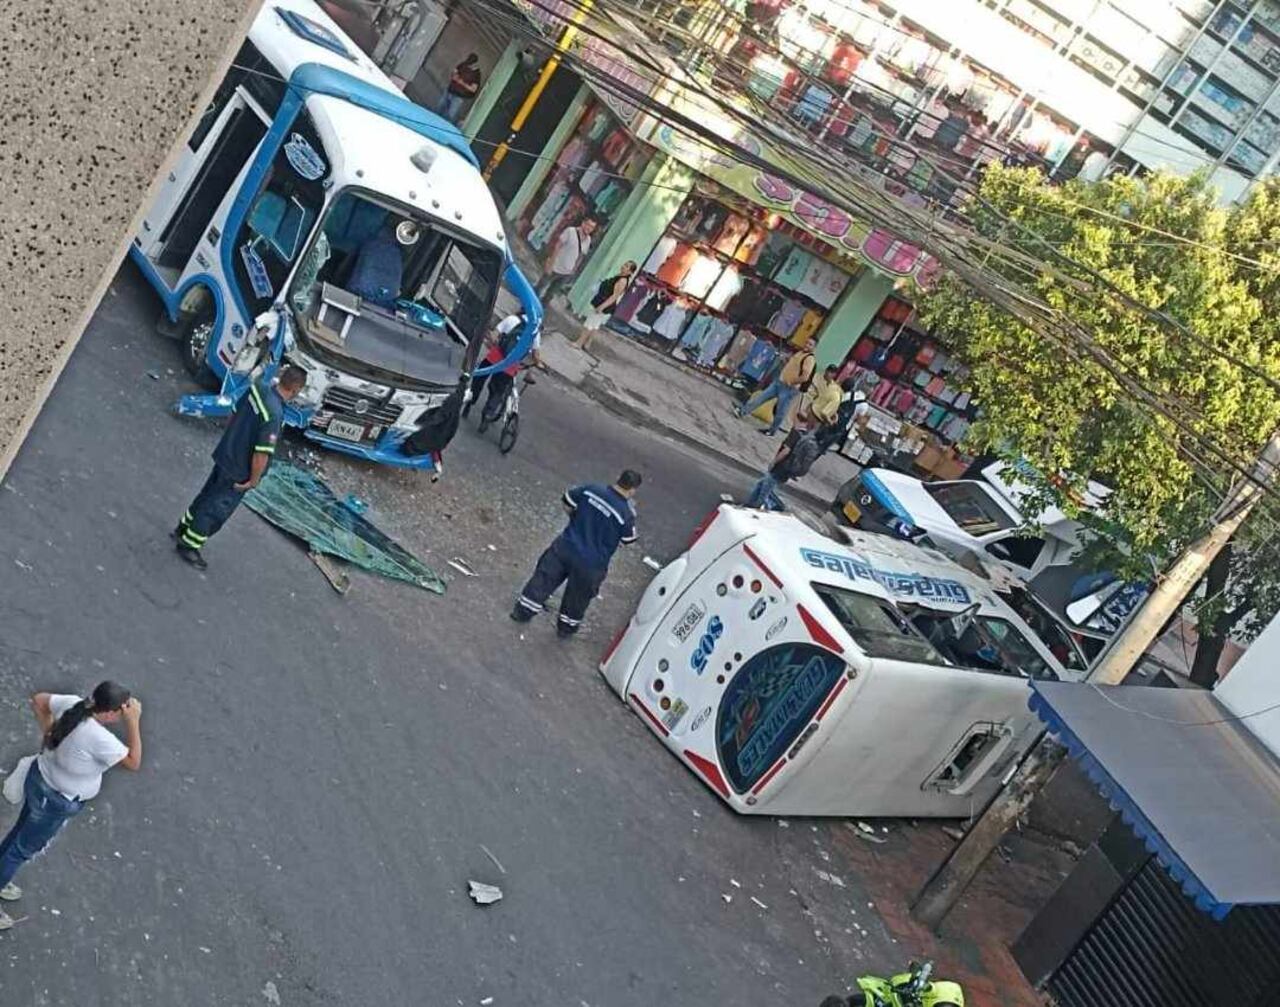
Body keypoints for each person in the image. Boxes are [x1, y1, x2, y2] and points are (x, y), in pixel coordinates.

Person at [0, 682, 142, 931]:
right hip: (55, 800)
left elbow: (39, 700)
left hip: (40, 779)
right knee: (21, 849)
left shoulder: (74, 705)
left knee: (18, 834)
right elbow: (134, 761)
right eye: (123, 710)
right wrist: (134, 722)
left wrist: (48, 734)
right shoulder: (99, 738)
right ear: (110, 713)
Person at [174, 366, 308, 570]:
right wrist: (253, 481)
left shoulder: (258, 389)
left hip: (226, 453)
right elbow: (261, 454)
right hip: (239, 469)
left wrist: (231, 439)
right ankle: (189, 545)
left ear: (282, 377)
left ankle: (183, 528)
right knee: (215, 509)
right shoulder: (274, 414)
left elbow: (234, 413)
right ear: (296, 390)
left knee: (206, 494)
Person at [512, 470, 641, 637]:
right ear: (632, 490)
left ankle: (522, 612)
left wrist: (576, 520)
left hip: (566, 546)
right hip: (591, 563)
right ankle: (565, 629)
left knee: (544, 579)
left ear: (618, 479)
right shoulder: (626, 514)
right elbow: (628, 540)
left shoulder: (591, 490)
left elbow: (567, 500)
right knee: (578, 598)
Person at [463, 313, 545, 425]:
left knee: (479, 380)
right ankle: (488, 413)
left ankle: (470, 401)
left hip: (494, 358)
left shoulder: (512, 319)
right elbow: (536, 355)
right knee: (498, 391)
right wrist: (538, 364)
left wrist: (492, 343)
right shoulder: (535, 333)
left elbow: (494, 335)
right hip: (509, 366)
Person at [734, 340, 817, 436]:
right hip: (779, 382)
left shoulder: (809, 359)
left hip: (789, 388)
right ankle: (742, 411)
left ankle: (772, 430)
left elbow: (805, 377)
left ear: (814, 348)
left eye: (810, 344)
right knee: (761, 397)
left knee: (780, 410)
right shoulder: (800, 353)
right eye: (806, 342)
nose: (807, 345)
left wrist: (792, 382)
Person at [746, 422, 821, 511]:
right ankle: (750, 505)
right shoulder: (806, 436)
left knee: (765, 490)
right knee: (762, 484)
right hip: (787, 469)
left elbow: (786, 451)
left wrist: (774, 461)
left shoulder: (796, 433)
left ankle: (757, 508)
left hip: (781, 467)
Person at [572, 260, 636, 352]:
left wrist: (602, 307)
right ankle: (587, 343)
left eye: (627, 266)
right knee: (595, 324)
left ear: (630, 272)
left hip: (604, 304)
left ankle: (579, 343)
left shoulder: (622, 280)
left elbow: (614, 296)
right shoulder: (620, 276)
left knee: (589, 323)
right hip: (602, 301)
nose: (624, 266)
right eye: (625, 264)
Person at [538, 217, 597, 305]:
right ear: (583, 223)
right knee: (540, 286)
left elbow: (581, 255)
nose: (589, 228)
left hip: (566, 272)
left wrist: (574, 269)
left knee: (550, 294)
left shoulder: (588, 240)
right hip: (555, 266)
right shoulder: (570, 231)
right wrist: (551, 263)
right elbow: (558, 246)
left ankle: (541, 309)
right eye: (588, 225)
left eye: (592, 227)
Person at [817, 384, 869, 456]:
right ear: (869, 393)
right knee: (824, 445)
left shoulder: (849, 393)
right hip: (843, 426)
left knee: (817, 437)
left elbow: (838, 403)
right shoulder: (864, 405)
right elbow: (859, 420)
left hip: (832, 418)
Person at [437, 54, 482, 123]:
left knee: (449, 115)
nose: (468, 66)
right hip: (450, 91)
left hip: (459, 97)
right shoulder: (463, 64)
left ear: (475, 64)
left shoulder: (476, 74)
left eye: (470, 64)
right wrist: (454, 76)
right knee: (439, 109)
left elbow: (473, 89)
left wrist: (462, 83)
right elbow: (454, 72)